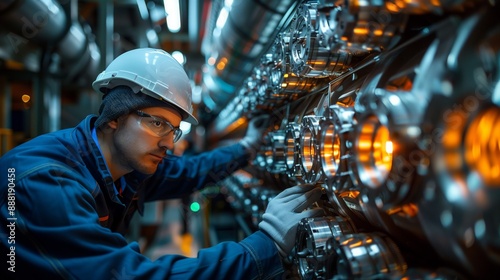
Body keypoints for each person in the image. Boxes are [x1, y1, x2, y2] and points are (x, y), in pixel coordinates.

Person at [0, 48, 324, 279]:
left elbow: (190, 172)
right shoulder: (42, 184)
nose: (169, 142)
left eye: (174, 130)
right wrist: (265, 245)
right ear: (115, 117)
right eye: (157, 123)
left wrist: (247, 147)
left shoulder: (124, 167)